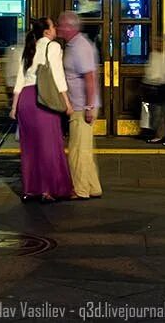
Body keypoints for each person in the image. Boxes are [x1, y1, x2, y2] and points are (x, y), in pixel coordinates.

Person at [10, 18, 74, 202]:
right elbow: (57, 74)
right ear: (47, 32)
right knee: (49, 145)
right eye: (53, 26)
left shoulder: (29, 47)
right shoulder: (52, 47)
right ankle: (48, 189)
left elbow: (20, 79)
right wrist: (66, 102)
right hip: (43, 99)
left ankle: (31, 189)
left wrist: (14, 107)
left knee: (30, 148)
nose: (55, 29)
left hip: (25, 101)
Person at [57, 12, 102, 199]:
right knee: (83, 148)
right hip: (80, 105)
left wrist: (89, 107)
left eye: (60, 25)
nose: (58, 27)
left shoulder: (79, 47)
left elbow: (89, 77)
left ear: (70, 27)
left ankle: (80, 189)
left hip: (81, 106)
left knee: (78, 150)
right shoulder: (74, 45)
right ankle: (92, 187)